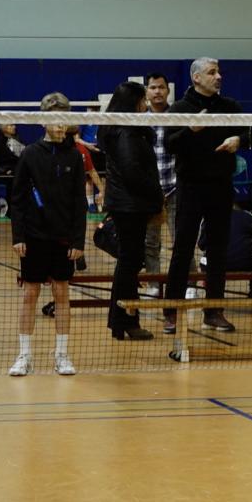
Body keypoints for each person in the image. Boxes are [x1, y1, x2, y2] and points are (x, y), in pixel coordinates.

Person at [163, 57, 251, 334]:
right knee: (183, 248)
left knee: (217, 250)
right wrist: (191, 130)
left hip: (221, 186)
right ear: (197, 77)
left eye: (219, 72)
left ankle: (214, 311)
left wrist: (240, 140)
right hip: (190, 187)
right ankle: (171, 311)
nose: (219, 76)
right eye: (212, 72)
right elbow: (169, 144)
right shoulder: (179, 109)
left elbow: (251, 133)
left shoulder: (230, 106)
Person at [8, 92, 87, 376]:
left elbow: (80, 201)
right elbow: (17, 199)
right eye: (55, 118)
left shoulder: (75, 156)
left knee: (61, 293)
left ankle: (62, 355)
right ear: (43, 121)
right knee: (30, 293)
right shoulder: (30, 154)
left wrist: (78, 240)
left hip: (63, 238)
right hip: (34, 236)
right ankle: (24, 355)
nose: (60, 124)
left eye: (65, 118)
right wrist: (18, 236)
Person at [101, 81, 164, 341]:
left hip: (129, 204)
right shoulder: (126, 132)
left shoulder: (126, 129)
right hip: (130, 207)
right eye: (142, 101)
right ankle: (125, 320)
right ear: (133, 103)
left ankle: (121, 321)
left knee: (129, 261)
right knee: (130, 262)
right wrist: (157, 198)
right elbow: (133, 172)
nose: (145, 105)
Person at [142, 72, 195, 299]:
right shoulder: (139, 118)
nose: (157, 91)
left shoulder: (177, 114)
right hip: (149, 191)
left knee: (181, 239)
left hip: (175, 188)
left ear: (168, 90)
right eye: (153, 87)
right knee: (150, 241)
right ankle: (154, 284)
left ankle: (191, 283)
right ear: (146, 91)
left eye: (161, 87)